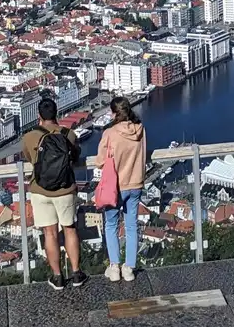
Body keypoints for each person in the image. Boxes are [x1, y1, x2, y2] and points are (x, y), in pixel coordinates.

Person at [22, 98, 87, 290]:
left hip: (40, 190)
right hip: (65, 189)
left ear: (39, 116)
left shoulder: (29, 137)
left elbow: (30, 159)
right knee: (69, 228)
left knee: (49, 233)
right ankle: (76, 273)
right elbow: (74, 158)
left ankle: (57, 277)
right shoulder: (69, 134)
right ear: (57, 114)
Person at [96, 96, 146, 282]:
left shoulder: (110, 133)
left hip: (116, 187)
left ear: (114, 113)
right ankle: (129, 268)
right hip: (136, 183)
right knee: (132, 225)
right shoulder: (140, 129)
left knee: (111, 225)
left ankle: (115, 266)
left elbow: (100, 161)